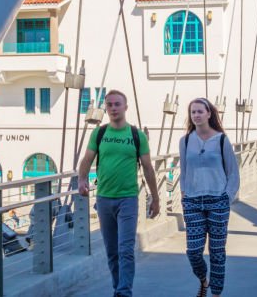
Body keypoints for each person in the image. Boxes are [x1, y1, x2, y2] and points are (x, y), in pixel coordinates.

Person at [78, 89, 160, 297]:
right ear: (106, 108)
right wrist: (81, 180)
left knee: (126, 249)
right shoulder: (99, 133)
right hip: (104, 199)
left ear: (125, 107)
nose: (113, 108)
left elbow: (148, 168)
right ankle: (118, 287)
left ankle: (124, 292)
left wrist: (155, 198)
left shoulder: (137, 135)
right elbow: (87, 159)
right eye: (110, 104)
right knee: (112, 251)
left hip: (128, 199)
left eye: (117, 104)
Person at [180, 98, 240, 297]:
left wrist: (226, 197)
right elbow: (184, 171)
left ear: (209, 114)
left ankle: (216, 293)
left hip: (217, 201)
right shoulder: (185, 141)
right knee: (193, 252)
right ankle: (204, 281)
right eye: (193, 112)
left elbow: (233, 173)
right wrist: (184, 195)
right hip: (193, 202)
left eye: (200, 111)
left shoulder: (222, 140)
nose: (196, 115)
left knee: (217, 252)